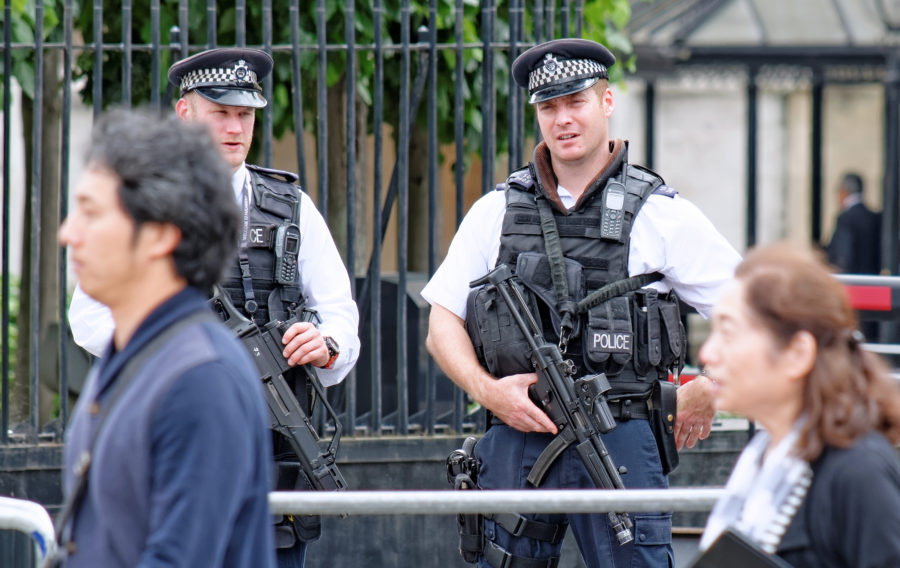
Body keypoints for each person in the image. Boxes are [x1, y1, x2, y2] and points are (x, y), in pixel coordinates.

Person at [422, 38, 741, 568]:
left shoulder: (662, 214)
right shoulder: (495, 211)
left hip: (623, 434)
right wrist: (489, 393)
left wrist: (710, 386)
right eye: (549, 107)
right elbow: (443, 322)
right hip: (518, 433)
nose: (563, 120)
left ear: (607, 102)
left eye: (577, 102)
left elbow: (752, 317)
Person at [66, 48, 361, 567]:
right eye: (220, 112)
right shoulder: (146, 200)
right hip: (169, 425)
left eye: (244, 114)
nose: (235, 127)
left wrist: (327, 343)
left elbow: (339, 312)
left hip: (277, 454)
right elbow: (88, 318)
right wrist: (177, 356)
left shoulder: (290, 205)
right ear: (185, 113)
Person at [57, 108, 275, 567]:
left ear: (158, 236)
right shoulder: (137, 353)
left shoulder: (201, 378)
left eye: (91, 213)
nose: (68, 233)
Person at [697, 242, 900, 567]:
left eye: (729, 332)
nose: (707, 353)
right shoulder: (763, 459)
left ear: (797, 354)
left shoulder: (857, 473)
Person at [826, 172, 881, 275]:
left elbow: (843, 256)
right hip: (873, 280)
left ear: (843, 191)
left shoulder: (845, 218)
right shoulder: (874, 217)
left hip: (852, 280)